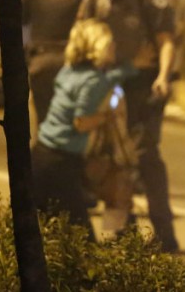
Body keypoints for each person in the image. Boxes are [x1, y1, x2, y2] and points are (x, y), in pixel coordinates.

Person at [77, 0, 179, 252]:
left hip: (143, 90)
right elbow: (82, 32)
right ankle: (122, 232)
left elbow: (166, 41)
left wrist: (163, 76)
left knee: (145, 156)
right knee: (110, 160)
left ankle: (165, 235)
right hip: (111, 86)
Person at [31, 19, 133, 238]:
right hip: (60, 163)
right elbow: (81, 122)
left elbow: (111, 78)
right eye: (109, 44)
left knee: (45, 233)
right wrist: (107, 115)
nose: (114, 47)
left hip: (41, 156)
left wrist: (126, 70)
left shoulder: (70, 70)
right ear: (97, 47)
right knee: (82, 238)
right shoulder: (93, 80)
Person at [22, 0, 99, 128]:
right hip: (71, 63)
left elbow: (21, 18)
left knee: (43, 120)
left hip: (39, 61)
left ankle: (41, 155)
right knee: (69, 123)